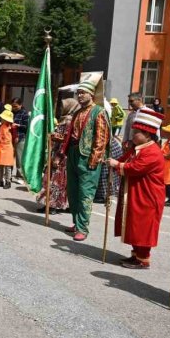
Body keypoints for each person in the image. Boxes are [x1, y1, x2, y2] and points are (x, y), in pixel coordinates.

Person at [107, 107, 166, 269]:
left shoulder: (152, 152)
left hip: (147, 196)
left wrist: (117, 164)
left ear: (147, 134)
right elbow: (124, 159)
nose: (133, 135)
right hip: (136, 193)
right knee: (133, 224)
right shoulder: (137, 149)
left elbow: (135, 168)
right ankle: (136, 254)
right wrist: (112, 161)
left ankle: (143, 258)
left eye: (137, 132)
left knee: (142, 226)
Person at [62, 79, 110, 242]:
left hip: (87, 157)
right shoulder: (77, 112)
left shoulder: (99, 111)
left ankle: (83, 228)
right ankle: (76, 222)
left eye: (83, 93)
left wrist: (94, 159)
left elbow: (102, 137)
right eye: (78, 93)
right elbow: (72, 134)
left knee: (85, 194)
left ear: (91, 94)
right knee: (73, 191)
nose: (80, 95)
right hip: (73, 154)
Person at [37, 113, 72, 215]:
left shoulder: (70, 125)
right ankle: (46, 204)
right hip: (54, 156)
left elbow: (65, 142)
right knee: (48, 181)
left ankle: (54, 206)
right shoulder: (61, 124)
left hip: (62, 159)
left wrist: (58, 157)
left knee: (57, 184)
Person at [0, 109, 16, 189]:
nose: (2, 119)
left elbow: (15, 139)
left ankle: (8, 181)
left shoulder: (12, 128)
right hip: (1, 147)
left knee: (7, 167)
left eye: (4, 118)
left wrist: (14, 149)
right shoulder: (0, 126)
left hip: (8, 148)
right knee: (0, 166)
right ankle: (0, 181)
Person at [11, 98, 30, 181]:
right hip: (10, 138)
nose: (14, 108)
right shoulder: (11, 113)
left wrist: (18, 125)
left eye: (16, 106)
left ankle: (20, 176)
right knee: (10, 157)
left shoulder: (25, 114)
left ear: (20, 105)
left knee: (19, 158)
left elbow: (27, 127)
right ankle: (8, 175)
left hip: (21, 138)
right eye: (13, 106)